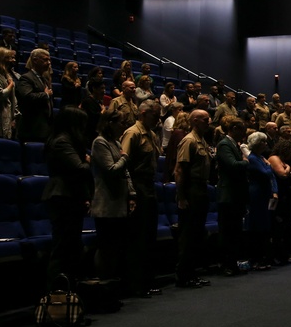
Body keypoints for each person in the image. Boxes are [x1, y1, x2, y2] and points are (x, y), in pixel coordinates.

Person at [41, 107, 93, 290]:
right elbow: (79, 168)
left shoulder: (66, 141)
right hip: (62, 197)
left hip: (70, 197)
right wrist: (88, 161)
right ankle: (54, 295)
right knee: (62, 247)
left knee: (71, 246)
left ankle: (68, 292)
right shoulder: (61, 142)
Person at [120, 98, 164, 297]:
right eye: (155, 115)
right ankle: (135, 283)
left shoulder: (153, 135)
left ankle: (147, 280)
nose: (157, 119)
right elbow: (125, 164)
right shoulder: (133, 133)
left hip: (149, 186)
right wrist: (131, 193)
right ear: (143, 113)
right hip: (137, 185)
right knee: (137, 237)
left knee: (149, 236)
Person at [90, 110, 135, 287]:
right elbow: (111, 170)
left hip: (119, 199)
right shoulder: (100, 142)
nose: (123, 127)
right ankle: (103, 282)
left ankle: (113, 282)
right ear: (110, 123)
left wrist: (132, 194)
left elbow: (125, 173)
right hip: (106, 201)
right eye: (121, 123)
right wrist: (124, 158)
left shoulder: (115, 142)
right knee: (106, 245)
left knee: (116, 244)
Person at [174, 109, 214, 288]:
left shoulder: (203, 141)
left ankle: (192, 273)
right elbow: (180, 171)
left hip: (201, 188)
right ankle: (183, 276)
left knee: (197, 234)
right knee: (188, 235)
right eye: (205, 120)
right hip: (191, 189)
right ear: (195, 121)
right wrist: (181, 197)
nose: (209, 122)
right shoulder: (189, 140)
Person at [215, 115, 250, 276]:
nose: (244, 134)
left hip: (236, 194)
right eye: (242, 130)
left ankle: (233, 263)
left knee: (235, 231)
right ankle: (226, 264)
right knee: (227, 231)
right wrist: (246, 161)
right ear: (234, 129)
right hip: (228, 194)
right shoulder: (224, 144)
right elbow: (233, 165)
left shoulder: (234, 144)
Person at [246, 130, 278, 270]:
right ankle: (256, 259)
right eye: (263, 142)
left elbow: (271, 177)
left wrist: (274, 190)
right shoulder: (253, 158)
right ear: (257, 144)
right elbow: (266, 173)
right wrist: (269, 166)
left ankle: (263, 258)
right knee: (257, 227)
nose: (266, 144)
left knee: (264, 227)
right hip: (257, 195)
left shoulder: (261, 157)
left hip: (265, 194)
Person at [267, 133, 291, 264]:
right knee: (278, 226)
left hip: (286, 196)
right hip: (279, 197)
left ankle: (283, 254)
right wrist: (288, 169)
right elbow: (284, 174)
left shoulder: (284, 161)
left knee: (286, 226)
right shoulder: (274, 158)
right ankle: (276, 255)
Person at [16, 48, 54, 143]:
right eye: (45, 60)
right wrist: (46, 94)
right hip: (32, 129)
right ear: (35, 60)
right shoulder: (26, 78)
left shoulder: (44, 79)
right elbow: (27, 97)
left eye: (49, 60)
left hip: (44, 128)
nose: (49, 63)